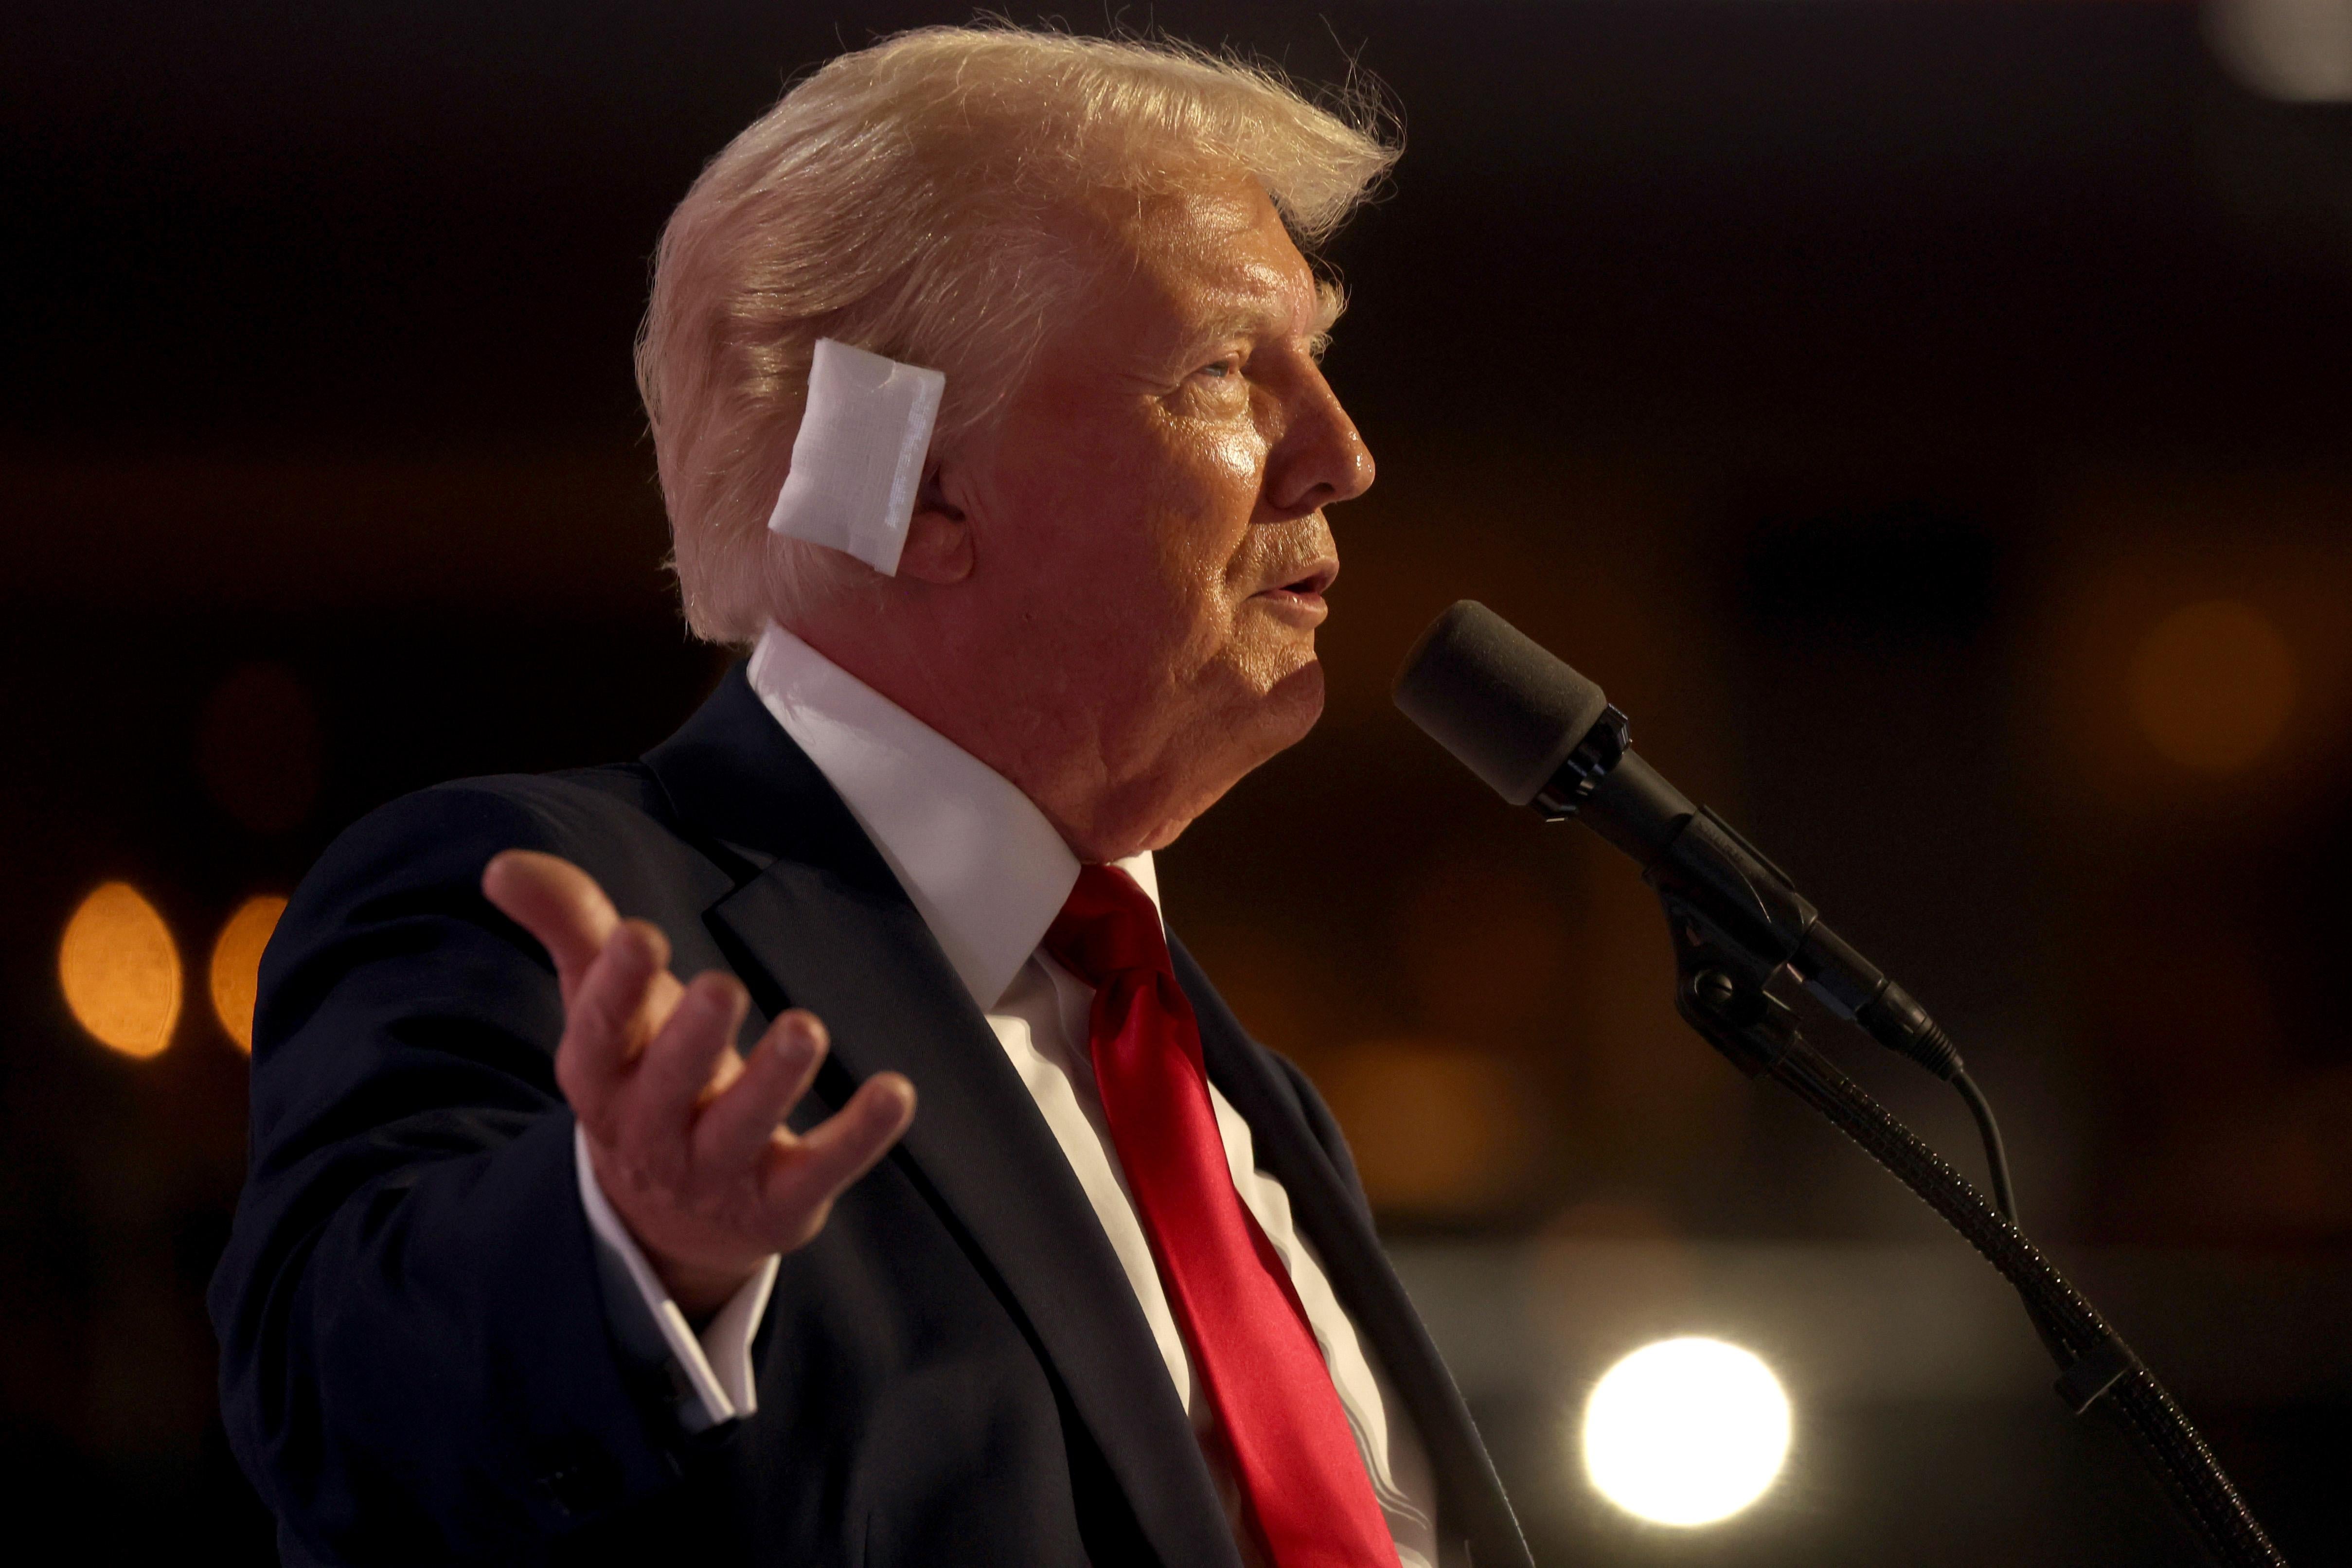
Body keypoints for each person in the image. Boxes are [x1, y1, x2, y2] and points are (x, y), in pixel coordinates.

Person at [211, 26, 1532, 1568]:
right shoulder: (550, 909)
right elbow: (349, 1434)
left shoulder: (1240, 1092)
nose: (1341, 457)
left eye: (1320, 361)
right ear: (911, 491)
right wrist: (626, 1248)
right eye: (1225, 371)